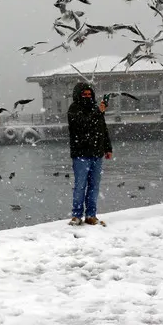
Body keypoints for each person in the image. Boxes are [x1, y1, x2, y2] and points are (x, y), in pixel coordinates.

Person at [67, 81, 113, 226]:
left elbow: (103, 129)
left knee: (94, 186)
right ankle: (76, 215)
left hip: (96, 154)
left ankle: (91, 215)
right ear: (78, 95)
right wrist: (98, 112)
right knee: (80, 185)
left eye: (89, 94)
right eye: (84, 94)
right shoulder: (74, 109)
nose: (87, 96)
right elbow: (82, 125)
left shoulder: (95, 108)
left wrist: (108, 148)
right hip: (81, 154)